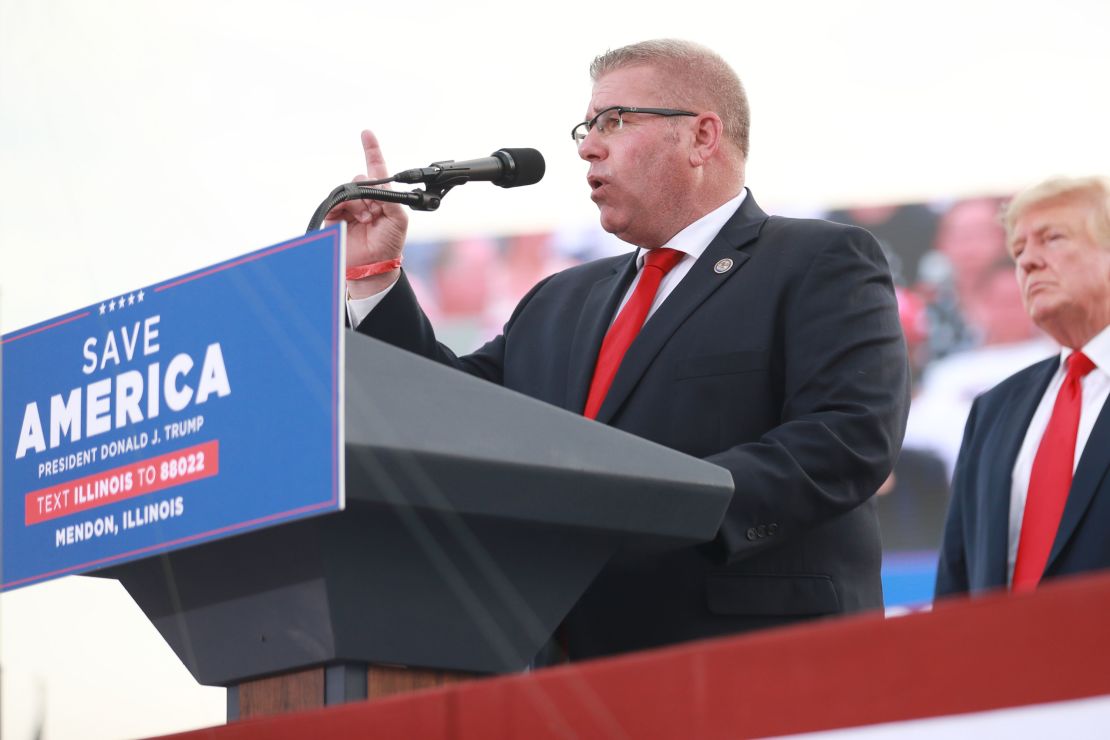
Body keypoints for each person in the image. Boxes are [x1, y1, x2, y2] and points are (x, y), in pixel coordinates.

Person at [331, 39, 909, 659]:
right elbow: (446, 414)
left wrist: (661, 506)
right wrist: (375, 277)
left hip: (757, 658)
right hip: (569, 669)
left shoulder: (816, 260)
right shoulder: (558, 301)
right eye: (586, 127)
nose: (586, 146)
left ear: (702, 137)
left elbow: (846, 438)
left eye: (614, 121)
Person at [935, 177, 1110, 598]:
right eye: (1018, 250)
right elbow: (957, 582)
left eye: (1052, 238)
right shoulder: (993, 410)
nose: (1028, 261)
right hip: (1003, 660)